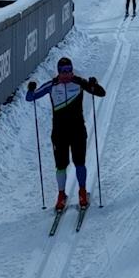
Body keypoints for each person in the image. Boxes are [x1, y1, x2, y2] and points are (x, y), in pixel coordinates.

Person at [25, 56, 106, 211]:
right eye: (63, 72)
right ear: (58, 72)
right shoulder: (52, 85)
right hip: (59, 133)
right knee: (61, 165)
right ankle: (61, 195)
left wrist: (94, 85)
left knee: (79, 163)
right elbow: (30, 98)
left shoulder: (79, 82)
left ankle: (82, 192)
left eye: (69, 71)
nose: (67, 74)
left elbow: (101, 93)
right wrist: (31, 88)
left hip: (77, 131)